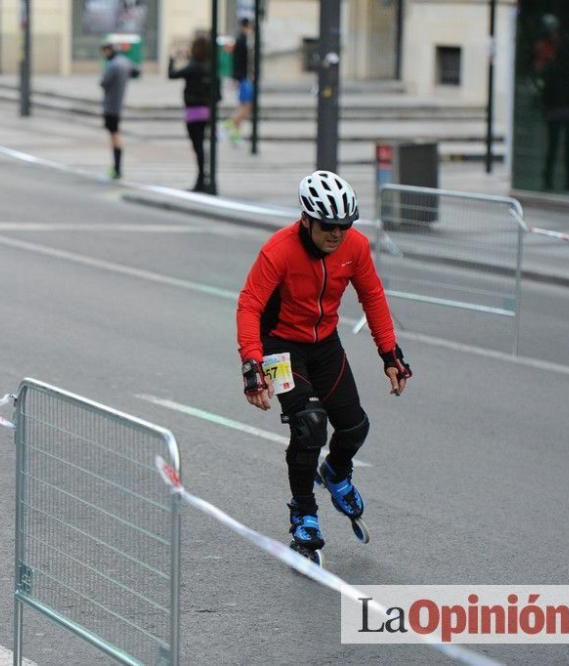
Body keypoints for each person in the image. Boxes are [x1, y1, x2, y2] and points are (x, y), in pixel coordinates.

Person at [236, 171, 412, 562]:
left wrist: (390, 355)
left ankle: (335, 471)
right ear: (306, 221)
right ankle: (303, 514)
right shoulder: (278, 251)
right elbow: (249, 305)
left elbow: (373, 296)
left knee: (354, 427)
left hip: (324, 344)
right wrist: (252, 365)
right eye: (329, 227)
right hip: (279, 347)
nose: (337, 234)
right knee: (309, 425)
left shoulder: (355, 246)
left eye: (344, 226)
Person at [534, 14, 569, 191]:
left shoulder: (553, 65)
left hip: (559, 108)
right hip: (565, 108)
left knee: (557, 147)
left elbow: (545, 86)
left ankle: (553, 179)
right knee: (564, 148)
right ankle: (563, 180)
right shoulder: (565, 65)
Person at [168, 35, 217, 193]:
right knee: (202, 145)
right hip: (207, 111)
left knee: (197, 147)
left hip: (193, 111)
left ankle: (200, 180)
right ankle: (205, 177)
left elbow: (172, 74)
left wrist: (172, 58)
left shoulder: (193, 66)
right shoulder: (210, 66)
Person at [99, 38, 137, 180]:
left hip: (111, 105)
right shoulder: (124, 62)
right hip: (118, 104)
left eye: (105, 51)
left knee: (114, 136)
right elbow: (136, 72)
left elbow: (103, 82)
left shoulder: (113, 65)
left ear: (109, 50)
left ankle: (117, 168)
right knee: (115, 134)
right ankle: (116, 167)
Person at [223, 18, 254, 147]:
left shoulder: (241, 39)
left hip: (242, 77)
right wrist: (238, 78)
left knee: (243, 107)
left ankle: (235, 136)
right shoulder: (242, 40)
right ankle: (228, 124)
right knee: (246, 107)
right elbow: (239, 62)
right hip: (243, 78)